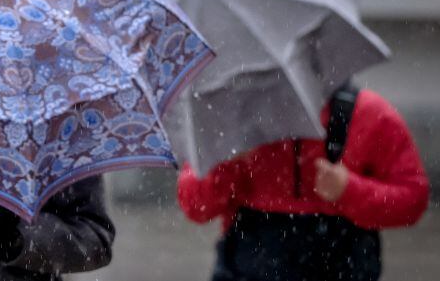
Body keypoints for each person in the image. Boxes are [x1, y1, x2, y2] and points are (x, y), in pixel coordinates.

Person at [178, 85, 429, 281]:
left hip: (341, 267)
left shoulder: (367, 113)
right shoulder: (233, 117)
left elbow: (413, 199)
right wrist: (226, 162)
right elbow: (194, 205)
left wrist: (349, 190)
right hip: (248, 267)